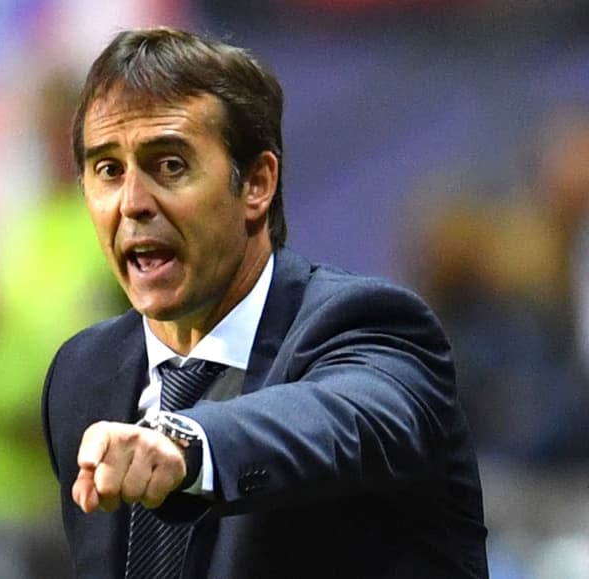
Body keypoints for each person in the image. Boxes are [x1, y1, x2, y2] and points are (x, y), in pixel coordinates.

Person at [42, 26, 488, 578]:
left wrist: (186, 444)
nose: (132, 203)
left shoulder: (370, 325)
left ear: (256, 182)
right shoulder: (83, 376)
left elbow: (344, 419)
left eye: (170, 165)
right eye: (108, 169)